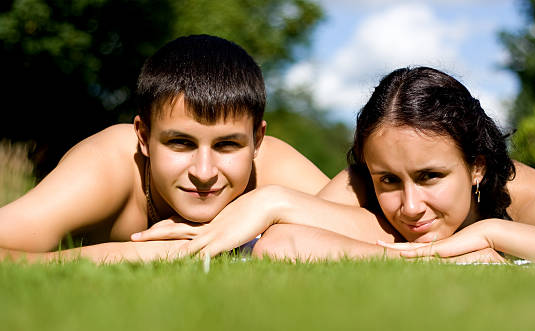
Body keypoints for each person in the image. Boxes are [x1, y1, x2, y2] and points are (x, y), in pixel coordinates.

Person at [150, 66, 535, 265]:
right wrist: (273, 201)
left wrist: (492, 233)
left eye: (431, 176)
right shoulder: (360, 187)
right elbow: (276, 246)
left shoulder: (528, 193)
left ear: (476, 167)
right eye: (388, 180)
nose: (410, 206)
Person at [0, 34, 329, 263]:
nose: (204, 172)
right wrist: (132, 254)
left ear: (257, 140)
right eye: (180, 143)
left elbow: (373, 221)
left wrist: (272, 203)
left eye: (227, 145)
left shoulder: (272, 168)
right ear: (143, 136)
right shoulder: (107, 167)